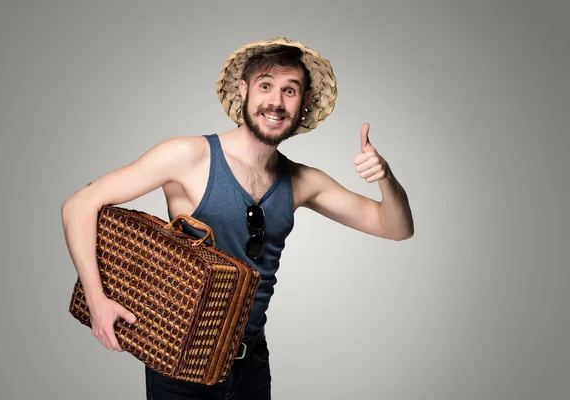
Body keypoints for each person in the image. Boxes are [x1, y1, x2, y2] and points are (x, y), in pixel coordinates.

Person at [61, 37, 414, 399]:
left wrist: (386, 178)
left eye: (289, 90)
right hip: (182, 367)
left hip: (251, 367)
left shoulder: (304, 181)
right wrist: (97, 300)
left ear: (304, 102)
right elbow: (79, 205)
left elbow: (397, 227)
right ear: (244, 91)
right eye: (265, 86)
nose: (275, 101)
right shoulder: (188, 155)